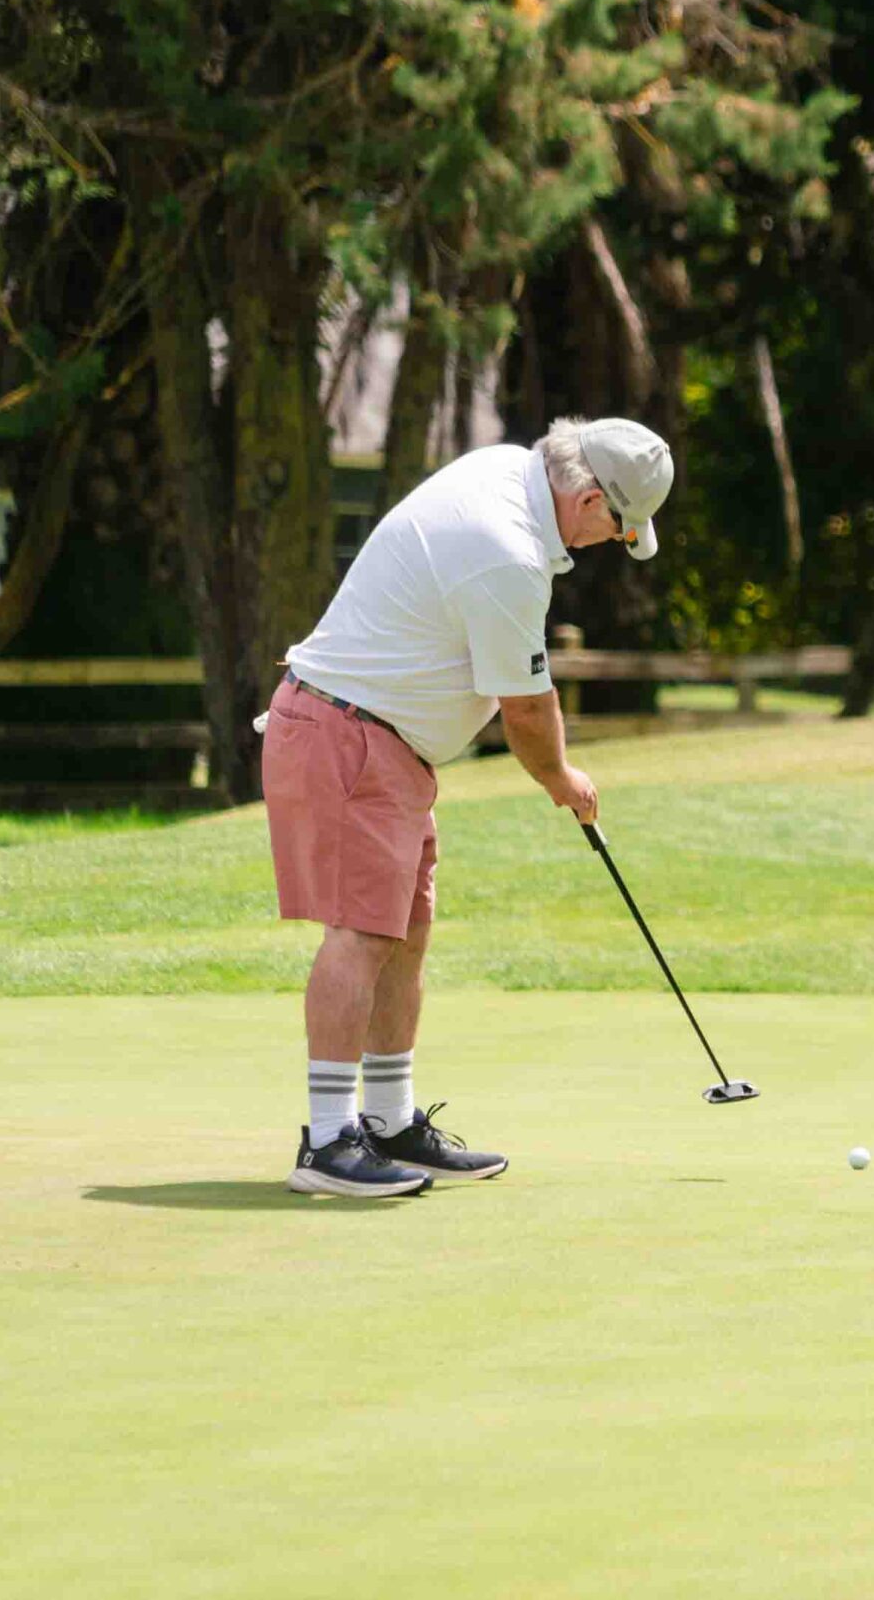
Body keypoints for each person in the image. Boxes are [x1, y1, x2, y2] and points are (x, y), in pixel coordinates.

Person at [263, 417, 674, 1195]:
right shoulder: (508, 551)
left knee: (404, 931)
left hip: (380, 741)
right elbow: (526, 710)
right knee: (362, 932)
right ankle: (328, 1142)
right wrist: (561, 779)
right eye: (618, 531)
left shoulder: (509, 473)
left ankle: (389, 1120)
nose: (607, 545)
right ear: (590, 500)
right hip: (348, 732)